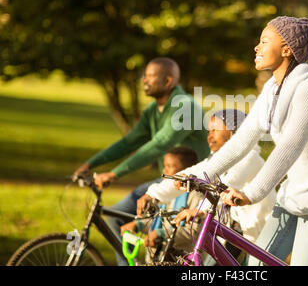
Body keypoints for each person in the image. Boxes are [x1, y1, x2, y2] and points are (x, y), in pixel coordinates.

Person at [192, 16, 308, 266]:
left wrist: (252, 193)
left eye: (264, 41)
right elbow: (241, 140)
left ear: (287, 50)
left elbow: (290, 147)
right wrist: (202, 174)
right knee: (256, 265)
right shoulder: (272, 90)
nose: (257, 47)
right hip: (299, 188)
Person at [73, 57, 209, 265]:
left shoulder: (185, 107)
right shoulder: (154, 110)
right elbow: (129, 142)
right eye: (144, 75)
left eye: (151, 76)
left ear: (168, 81)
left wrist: (114, 174)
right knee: (115, 215)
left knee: (153, 227)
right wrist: (91, 163)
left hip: (191, 185)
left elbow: (158, 144)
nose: (144, 80)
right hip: (169, 179)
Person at [138, 109, 276, 244]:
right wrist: (153, 195)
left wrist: (200, 210)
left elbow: (228, 183)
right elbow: (193, 173)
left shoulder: (250, 157)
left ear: (235, 133)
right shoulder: (217, 160)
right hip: (234, 232)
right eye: (208, 131)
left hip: (258, 235)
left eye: (215, 130)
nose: (209, 136)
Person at [120, 147, 204, 261]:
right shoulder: (164, 194)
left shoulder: (195, 196)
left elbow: (194, 231)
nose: (164, 171)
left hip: (181, 259)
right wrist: (139, 225)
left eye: (170, 167)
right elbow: (158, 220)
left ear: (187, 171)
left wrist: (162, 234)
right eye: (164, 166)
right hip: (157, 256)